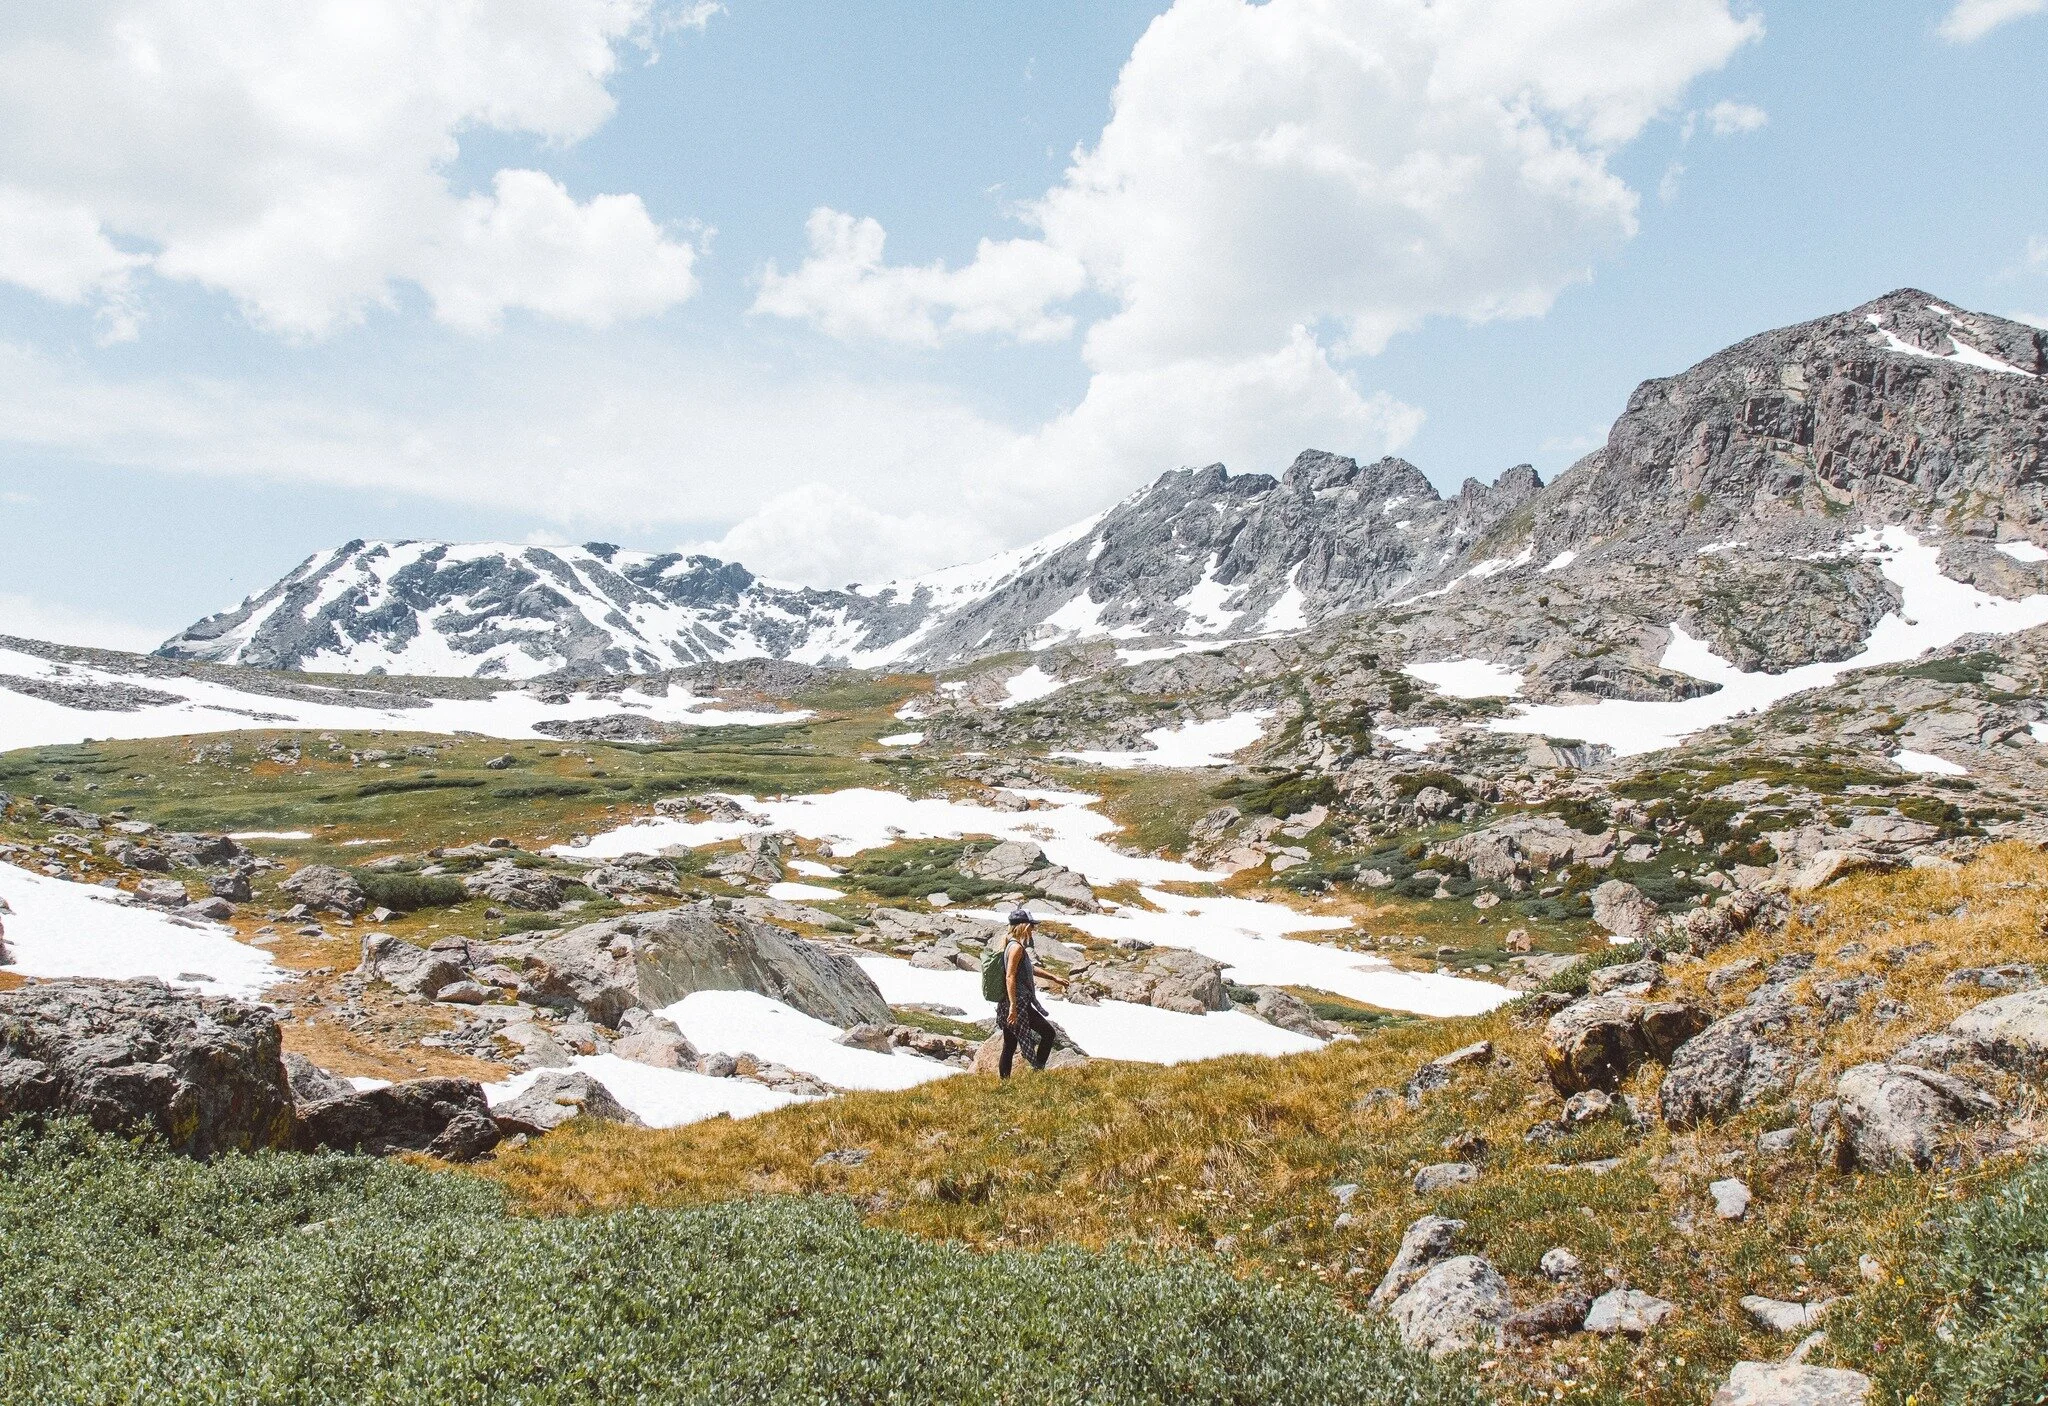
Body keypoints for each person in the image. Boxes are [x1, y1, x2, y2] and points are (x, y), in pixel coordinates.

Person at [997, 908, 1057, 1078]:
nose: (1033, 929)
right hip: (1018, 1002)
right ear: (1023, 926)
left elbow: (1027, 969)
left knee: (1010, 1043)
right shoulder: (1016, 947)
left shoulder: (1009, 944)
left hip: (1007, 1001)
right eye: (1031, 926)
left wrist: (1053, 977)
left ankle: (1004, 1082)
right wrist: (1013, 1007)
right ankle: (1038, 1072)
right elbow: (1010, 976)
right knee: (1048, 1033)